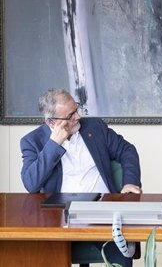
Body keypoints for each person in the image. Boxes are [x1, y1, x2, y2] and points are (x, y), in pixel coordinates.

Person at [20, 88, 142, 266]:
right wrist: (54, 144)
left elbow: (127, 150)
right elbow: (31, 183)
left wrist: (130, 182)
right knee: (41, 255)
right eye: (70, 115)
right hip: (60, 218)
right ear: (52, 122)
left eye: (76, 109)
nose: (77, 117)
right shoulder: (33, 141)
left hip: (104, 214)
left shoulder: (95, 127)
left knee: (120, 256)